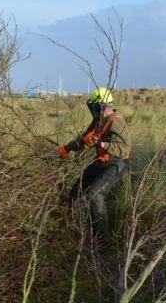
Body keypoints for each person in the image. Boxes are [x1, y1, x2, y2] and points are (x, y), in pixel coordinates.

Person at [58, 86, 131, 242]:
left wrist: (102, 144)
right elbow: (83, 140)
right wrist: (67, 148)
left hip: (116, 164)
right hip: (101, 162)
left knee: (95, 195)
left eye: (93, 106)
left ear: (100, 105)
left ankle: (103, 241)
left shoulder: (116, 122)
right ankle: (67, 224)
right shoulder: (97, 122)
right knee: (76, 189)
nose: (92, 110)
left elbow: (123, 149)